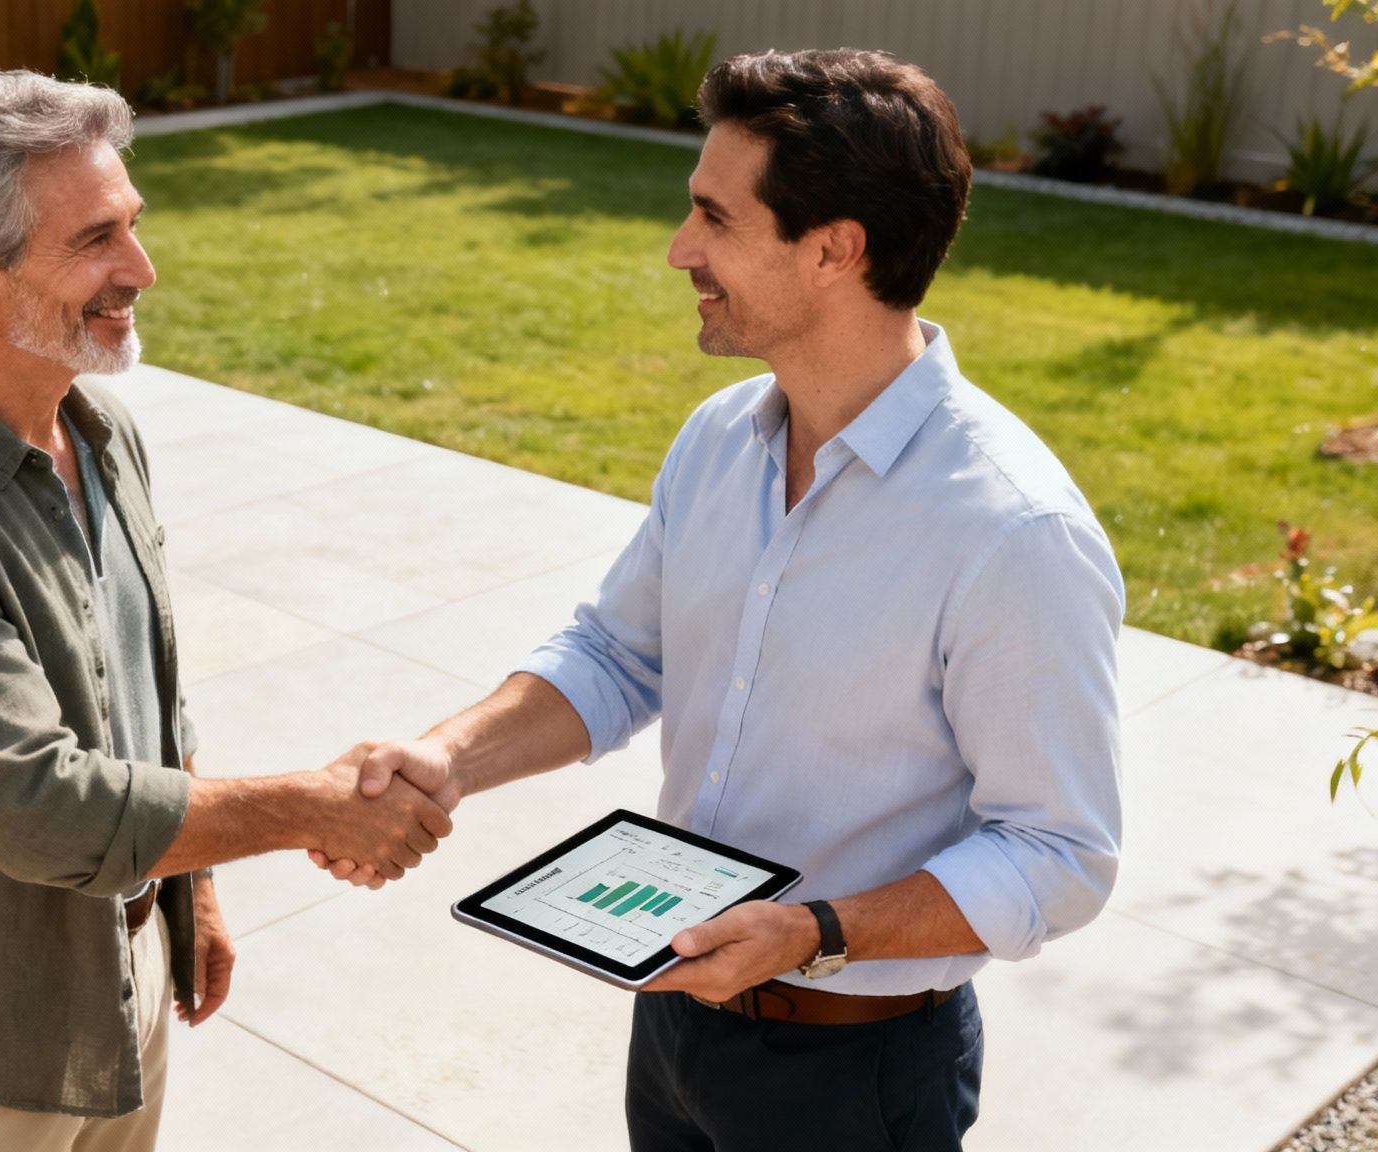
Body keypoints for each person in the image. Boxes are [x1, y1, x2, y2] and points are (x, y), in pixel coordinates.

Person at [319, 49, 1124, 1151]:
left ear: (833, 249)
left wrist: (811, 933)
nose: (678, 250)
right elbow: (616, 655)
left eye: (714, 219)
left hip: (858, 1070)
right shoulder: (720, 438)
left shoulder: (1008, 532)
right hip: (679, 1020)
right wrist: (449, 757)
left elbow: (1056, 851)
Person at [0, 71, 450, 1152]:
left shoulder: (97, 432)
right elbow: (40, 807)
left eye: (131, 225)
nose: (140, 269)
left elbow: (148, 688)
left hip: (123, 975)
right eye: (95, 239)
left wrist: (197, 891)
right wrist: (312, 806)